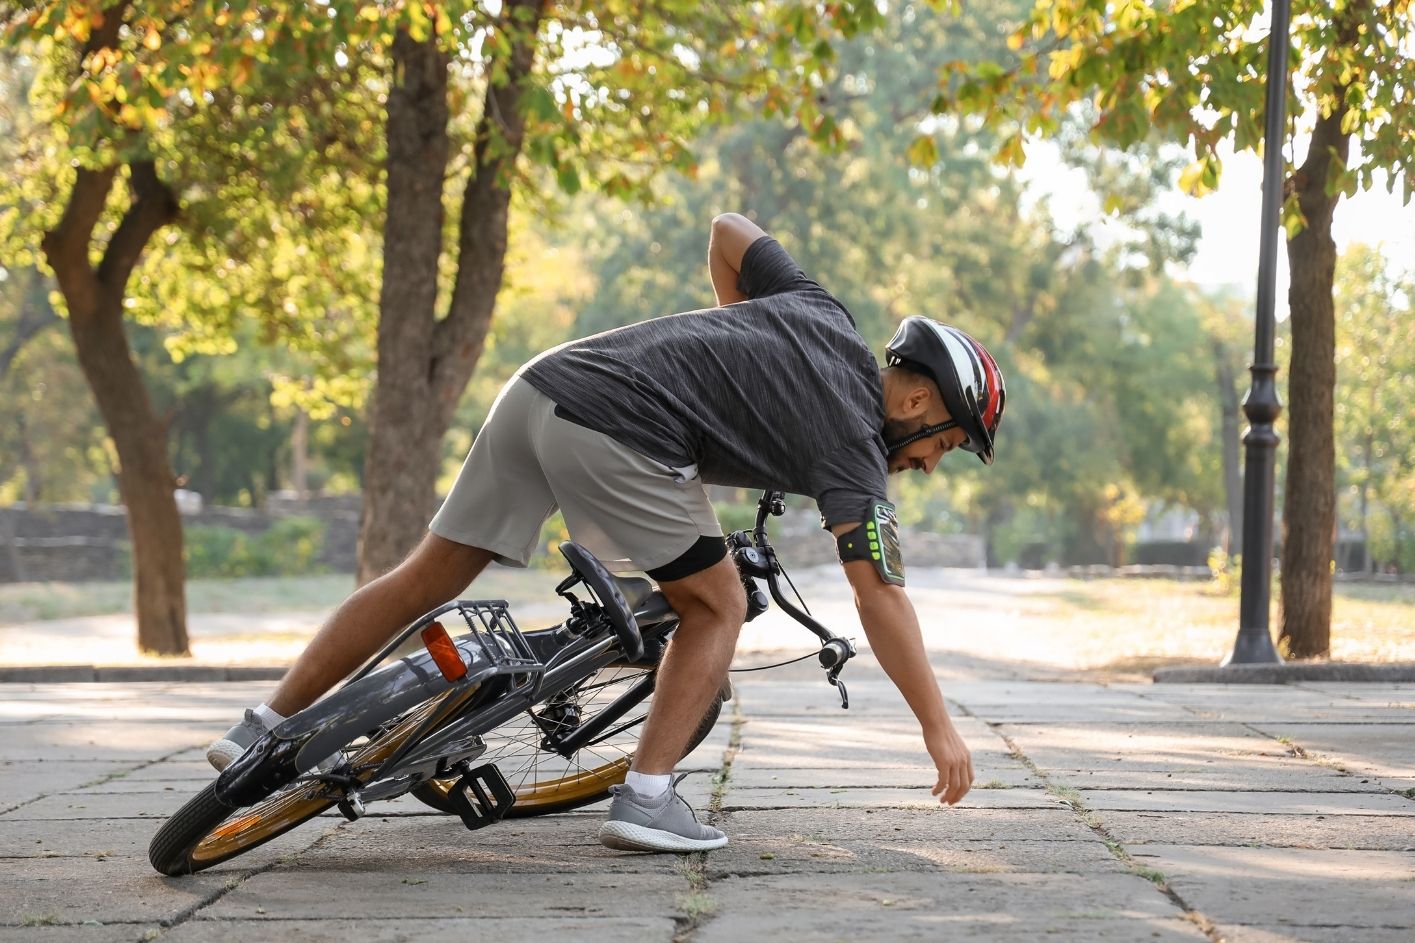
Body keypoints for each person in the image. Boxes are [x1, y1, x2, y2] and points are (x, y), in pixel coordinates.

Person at [207, 212, 1007, 854]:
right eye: (945, 441)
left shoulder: (818, 312)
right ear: (913, 402)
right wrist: (937, 726)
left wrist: (742, 347)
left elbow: (728, 228)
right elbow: (880, 596)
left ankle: (262, 726)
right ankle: (647, 797)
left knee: (427, 575)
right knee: (716, 607)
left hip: (540, 388)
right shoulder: (853, 446)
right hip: (618, 427)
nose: (933, 463)